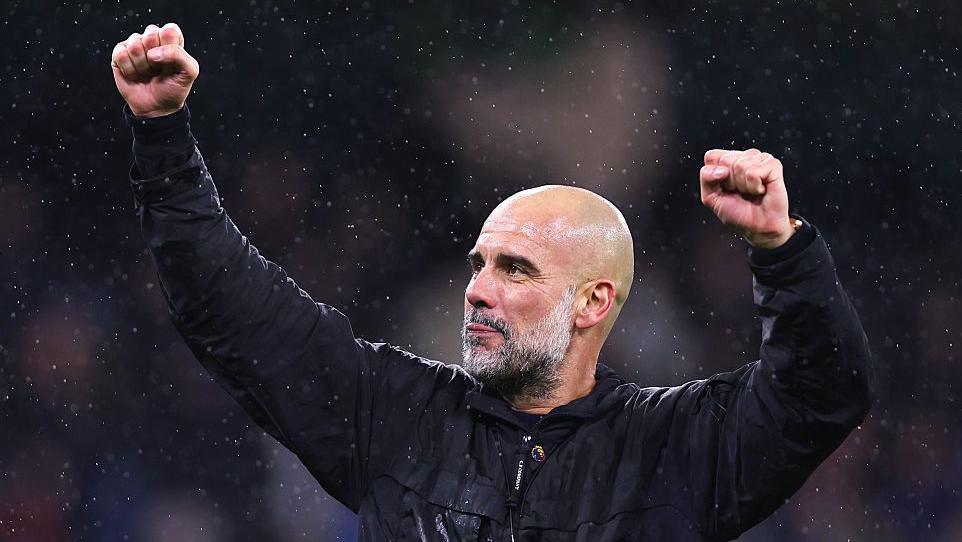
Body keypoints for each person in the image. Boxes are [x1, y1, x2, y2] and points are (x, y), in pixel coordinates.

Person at [111, 23, 874, 542]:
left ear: (593, 302)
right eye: (479, 264)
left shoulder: (671, 446)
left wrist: (781, 249)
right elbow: (227, 304)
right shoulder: (396, 413)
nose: (478, 289)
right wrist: (162, 135)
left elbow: (823, 392)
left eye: (515, 269)